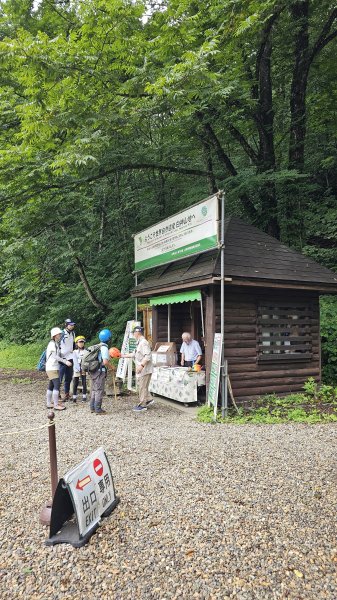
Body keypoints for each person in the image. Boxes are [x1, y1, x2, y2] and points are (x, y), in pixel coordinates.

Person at [121, 326, 153, 413]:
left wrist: (141, 366)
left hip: (145, 369)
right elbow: (134, 354)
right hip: (142, 369)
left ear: (137, 333)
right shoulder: (139, 342)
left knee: (142, 387)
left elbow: (148, 356)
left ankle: (143, 405)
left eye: (133, 333)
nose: (133, 334)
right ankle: (149, 399)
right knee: (142, 385)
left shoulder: (144, 343)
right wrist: (122, 355)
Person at [45, 327, 72, 411]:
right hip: (51, 367)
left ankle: (49, 403)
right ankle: (56, 405)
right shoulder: (52, 344)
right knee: (57, 384)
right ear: (54, 335)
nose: (60, 335)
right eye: (59, 334)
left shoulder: (56, 343)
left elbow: (59, 354)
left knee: (51, 385)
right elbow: (55, 356)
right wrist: (65, 361)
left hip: (54, 367)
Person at [89, 328, 112, 415]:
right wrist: (112, 367)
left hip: (93, 370)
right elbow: (105, 362)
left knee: (94, 389)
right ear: (108, 338)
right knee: (99, 390)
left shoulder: (97, 346)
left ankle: (92, 407)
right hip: (99, 371)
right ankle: (98, 409)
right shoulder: (104, 348)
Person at [59, 318, 76, 401]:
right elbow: (57, 345)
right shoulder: (61, 334)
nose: (72, 326)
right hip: (62, 358)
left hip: (70, 357)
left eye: (73, 325)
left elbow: (73, 344)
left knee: (68, 377)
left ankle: (66, 394)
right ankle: (57, 394)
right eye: (70, 325)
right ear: (66, 325)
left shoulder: (73, 333)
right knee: (59, 377)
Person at [72, 335, 89, 403]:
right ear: (76, 343)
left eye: (82, 342)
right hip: (77, 369)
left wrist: (84, 369)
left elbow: (87, 360)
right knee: (75, 382)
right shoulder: (74, 352)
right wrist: (79, 369)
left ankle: (84, 396)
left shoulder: (86, 351)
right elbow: (75, 361)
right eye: (80, 342)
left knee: (84, 382)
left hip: (84, 368)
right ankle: (74, 397)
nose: (81, 343)